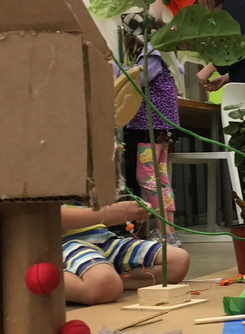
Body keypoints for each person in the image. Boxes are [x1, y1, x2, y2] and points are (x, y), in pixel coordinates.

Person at [119, 13, 185, 246]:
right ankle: (167, 231)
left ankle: (165, 232)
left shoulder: (152, 54)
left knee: (147, 176)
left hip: (151, 126)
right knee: (159, 178)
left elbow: (137, 80)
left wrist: (115, 68)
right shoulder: (164, 55)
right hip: (161, 128)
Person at [61, 201, 190, 305]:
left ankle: (111, 280)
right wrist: (111, 212)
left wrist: (129, 211)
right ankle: (52, 281)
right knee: (103, 285)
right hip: (66, 243)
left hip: (104, 238)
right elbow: (56, 218)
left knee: (178, 261)